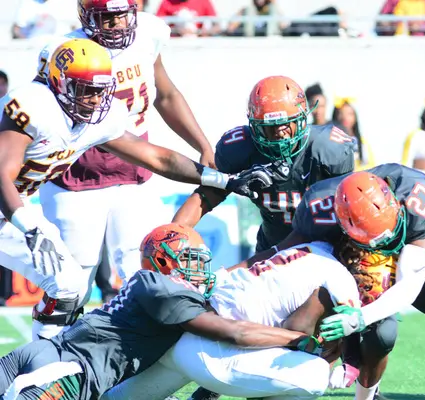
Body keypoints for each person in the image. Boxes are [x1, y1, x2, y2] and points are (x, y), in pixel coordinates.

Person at [0, 38, 274, 341]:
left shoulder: (96, 118)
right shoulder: (33, 106)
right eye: (85, 90)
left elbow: (157, 157)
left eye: (99, 90)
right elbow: (1, 172)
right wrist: (29, 225)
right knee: (68, 284)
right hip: (11, 209)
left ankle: (41, 365)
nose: (93, 99)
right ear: (58, 82)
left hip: (10, 210)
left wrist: (222, 179)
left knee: (70, 286)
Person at [241, 164, 425, 400]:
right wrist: (232, 273)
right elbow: (280, 253)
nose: (383, 241)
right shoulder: (319, 210)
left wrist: (359, 318)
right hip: (354, 269)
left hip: (408, 255)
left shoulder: (419, 195)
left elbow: (409, 287)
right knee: (382, 335)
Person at [35, 0, 216, 314]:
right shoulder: (66, 51)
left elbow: (166, 94)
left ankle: (142, 354)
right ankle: (51, 352)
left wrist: (204, 145)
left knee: (147, 269)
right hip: (76, 178)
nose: (118, 23)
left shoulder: (148, 33)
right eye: (108, 17)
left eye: (123, 14)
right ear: (87, 16)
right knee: (71, 283)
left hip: (135, 172)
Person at [0, 223, 321, 400]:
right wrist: (293, 338)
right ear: (166, 262)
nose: (201, 272)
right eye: (194, 262)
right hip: (69, 373)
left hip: (43, 353)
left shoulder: (150, 284)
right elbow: (234, 333)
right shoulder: (163, 290)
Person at [102, 231, 364, 400]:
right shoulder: (338, 275)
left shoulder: (308, 247)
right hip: (215, 346)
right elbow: (250, 333)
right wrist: (341, 358)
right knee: (315, 373)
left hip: (181, 338)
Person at [173, 75, 355, 254]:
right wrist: (172, 237)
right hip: (272, 251)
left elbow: (352, 210)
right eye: (269, 126)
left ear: (301, 119)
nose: (279, 133)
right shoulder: (241, 149)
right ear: (254, 125)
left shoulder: (327, 148)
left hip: (325, 249)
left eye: (285, 124)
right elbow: (205, 197)